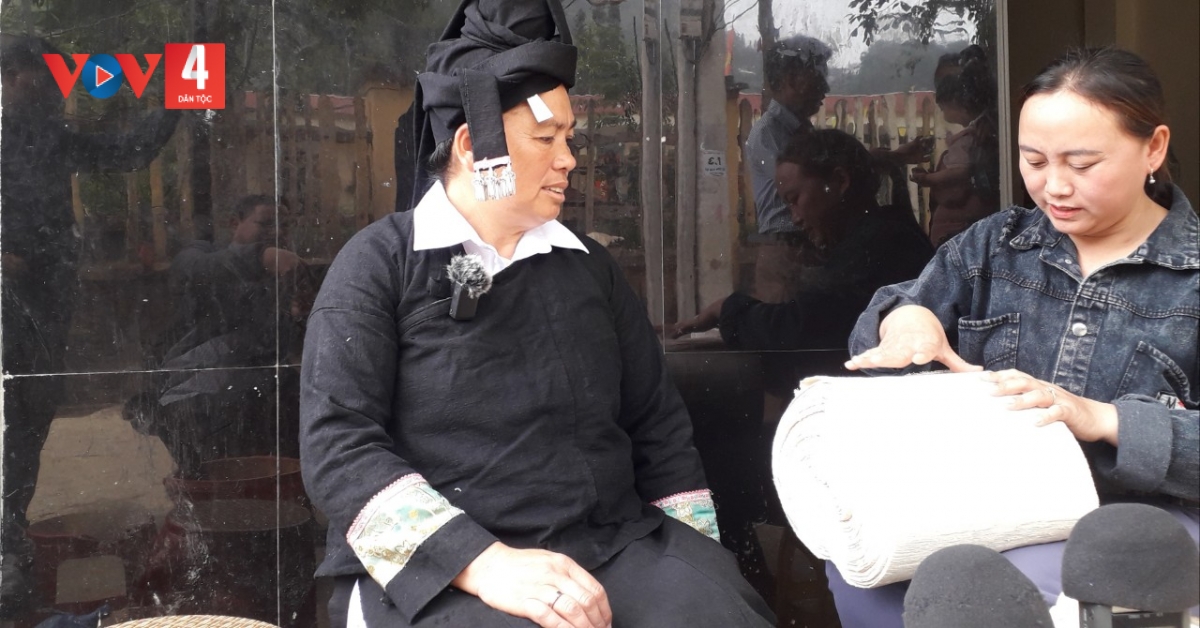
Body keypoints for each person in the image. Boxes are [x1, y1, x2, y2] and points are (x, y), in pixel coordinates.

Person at [299, 2, 775, 627]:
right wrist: (484, 563)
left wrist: (695, 560)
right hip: (446, 571)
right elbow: (338, 446)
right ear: (473, 145)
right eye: (547, 139)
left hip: (610, 545)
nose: (568, 158)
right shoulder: (379, 264)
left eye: (568, 138)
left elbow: (657, 424)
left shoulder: (589, 268)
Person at [834, 47, 1199, 628]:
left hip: (1139, 527)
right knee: (862, 564)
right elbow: (902, 313)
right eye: (1034, 160)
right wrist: (906, 321)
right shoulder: (994, 245)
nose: (1053, 186)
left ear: (1153, 148)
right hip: (986, 507)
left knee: (986, 583)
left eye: (1082, 164)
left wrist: (1101, 418)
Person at [1, 35, 179, 617]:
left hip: (41, 302)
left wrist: (183, 91)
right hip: (10, 300)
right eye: (42, 74)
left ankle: (9, 547)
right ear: (13, 75)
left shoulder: (45, 133)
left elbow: (127, 151)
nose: (55, 85)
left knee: (28, 418)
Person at [668, 129, 933, 351]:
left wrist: (726, 309)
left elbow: (800, 328)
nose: (794, 218)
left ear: (839, 181)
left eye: (795, 200)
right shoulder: (875, 240)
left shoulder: (883, 247)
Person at [123, 195, 313, 477]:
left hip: (259, 397)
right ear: (235, 223)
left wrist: (298, 314)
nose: (277, 232)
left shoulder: (283, 277)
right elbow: (195, 269)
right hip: (195, 399)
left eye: (284, 226)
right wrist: (261, 257)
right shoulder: (201, 255)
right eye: (265, 223)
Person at [744, 35, 832, 302]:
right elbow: (807, 180)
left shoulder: (802, 130)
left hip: (805, 245)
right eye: (818, 76)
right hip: (784, 248)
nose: (825, 87)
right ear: (790, 79)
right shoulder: (767, 133)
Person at [908, 45, 1001, 246]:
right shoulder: (973, 134)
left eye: (957, 84)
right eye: (943, 84)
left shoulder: (985, 136)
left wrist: (929, 179)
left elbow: (963, 180)